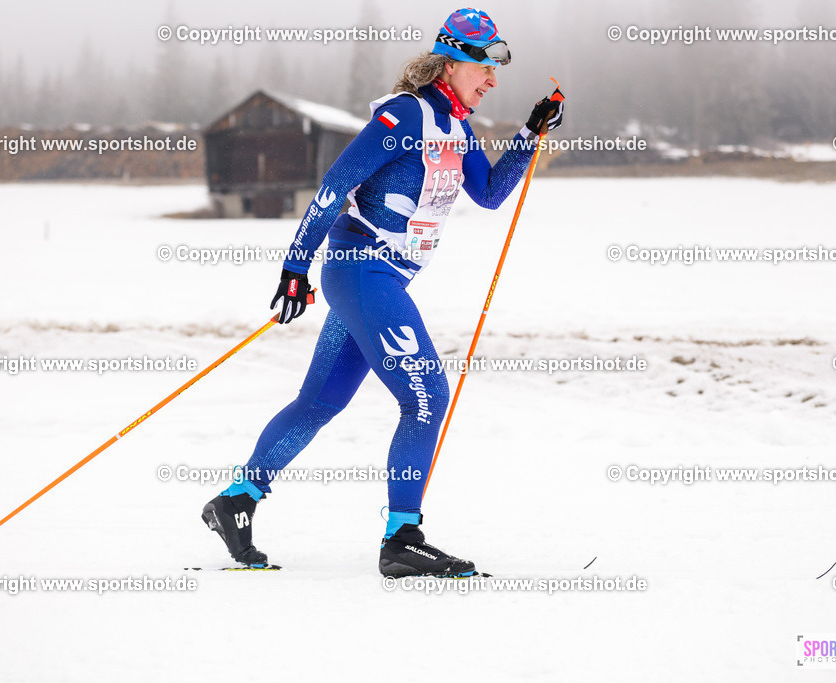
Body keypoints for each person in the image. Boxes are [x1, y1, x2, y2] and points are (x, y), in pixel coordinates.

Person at [202, 7, 564, 577]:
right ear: (453, 63)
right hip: (362, 267)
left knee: (320, 402)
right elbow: (335, 183)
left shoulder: (458, 127)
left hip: (382, 276)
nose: (492, 81)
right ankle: (402, 538)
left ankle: (236, 501)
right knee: (427, 396)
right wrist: (295, 267)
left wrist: (529, 134)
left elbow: (490, 194)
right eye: (484, 67)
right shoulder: (405, 114)